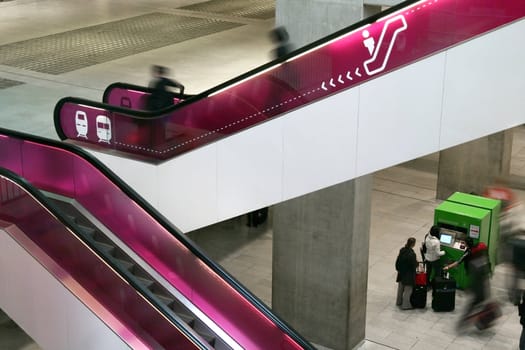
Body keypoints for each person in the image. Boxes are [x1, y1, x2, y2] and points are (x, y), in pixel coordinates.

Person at [444, 238, 491, 324]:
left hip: (473, 274)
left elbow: (459, 262)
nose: (463, 244)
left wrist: (448, 267)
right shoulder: (481, 246)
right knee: (478, 303)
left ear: (467, 244)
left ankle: (466, 320)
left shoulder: (468, 252)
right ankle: (475, 319)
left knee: (473, 304)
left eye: (464, 243)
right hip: (482, 276)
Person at [395, 237, 418, 310]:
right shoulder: (412, 254)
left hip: (401, 273)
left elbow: (398, 260)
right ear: (413, 244)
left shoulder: (402, 250)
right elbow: (414, 264)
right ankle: (406, 305)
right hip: (408, 275)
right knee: (408, 290)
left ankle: (399, 302)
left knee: (400, 289)